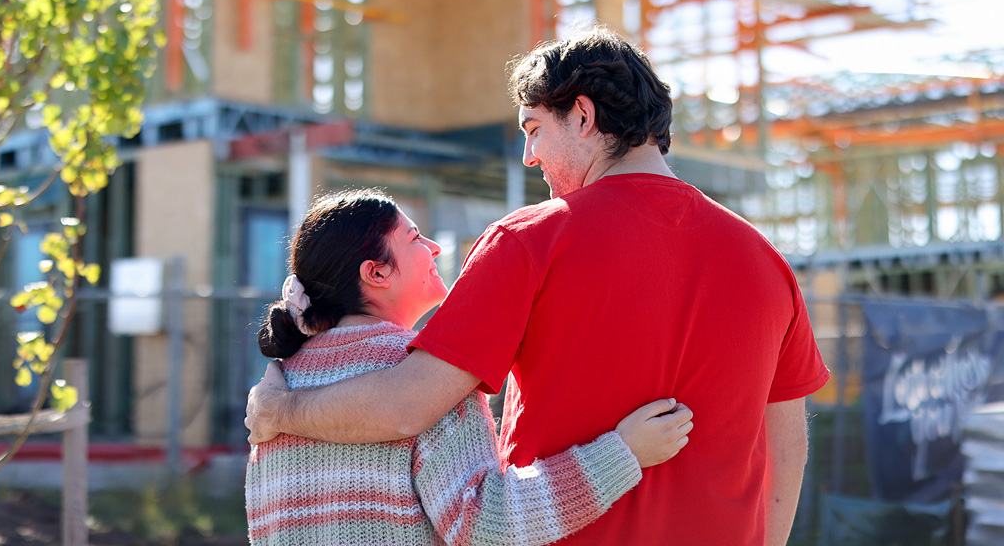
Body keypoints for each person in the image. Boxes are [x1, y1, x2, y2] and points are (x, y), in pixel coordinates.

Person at [246, 28, 830, 546]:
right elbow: (785, 446)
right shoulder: (765, 261)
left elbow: (405, 407)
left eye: (534, 131)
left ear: (582, 115)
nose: (529, 158)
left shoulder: (528, 242)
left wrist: (282, 409)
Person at [245, 188, 694, 546]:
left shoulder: (279, 388)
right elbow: (484, 524)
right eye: (415, 238)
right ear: (376, 274)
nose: (436, 247)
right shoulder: (427, 374)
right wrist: (621, 454)